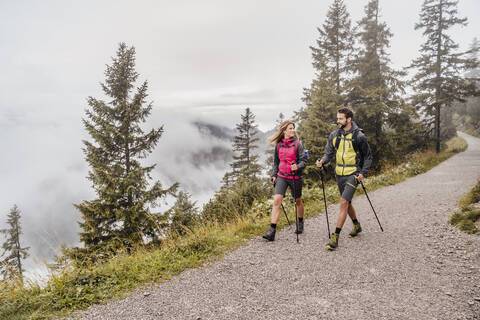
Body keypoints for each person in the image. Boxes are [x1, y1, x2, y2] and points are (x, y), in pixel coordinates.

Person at [316, 107, 372, 250]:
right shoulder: (335, 135)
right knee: (347, 203)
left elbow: (368, 156)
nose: (338, 121)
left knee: (343, 202)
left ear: (349, 119)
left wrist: (363, 172)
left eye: (341, 118)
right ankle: (357, 225)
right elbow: (328, 153)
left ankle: (335, 237)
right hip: (339, 173)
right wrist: (322, 161)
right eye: (338, 118)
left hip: (353, 173)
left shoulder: (359, 136)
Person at [262, 121, 306, 241]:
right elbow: (276, 162)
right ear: (284, 131)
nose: (293, 130)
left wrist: (297, 166)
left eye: (293, 128)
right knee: (277, 201)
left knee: (298, 201)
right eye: (290, 128)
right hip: (282, 176)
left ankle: (300, 221)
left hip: (295, 177)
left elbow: (303, 161)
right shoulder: (279, 145)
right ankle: (272, 231)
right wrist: (274, 175)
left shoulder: (298, 144)